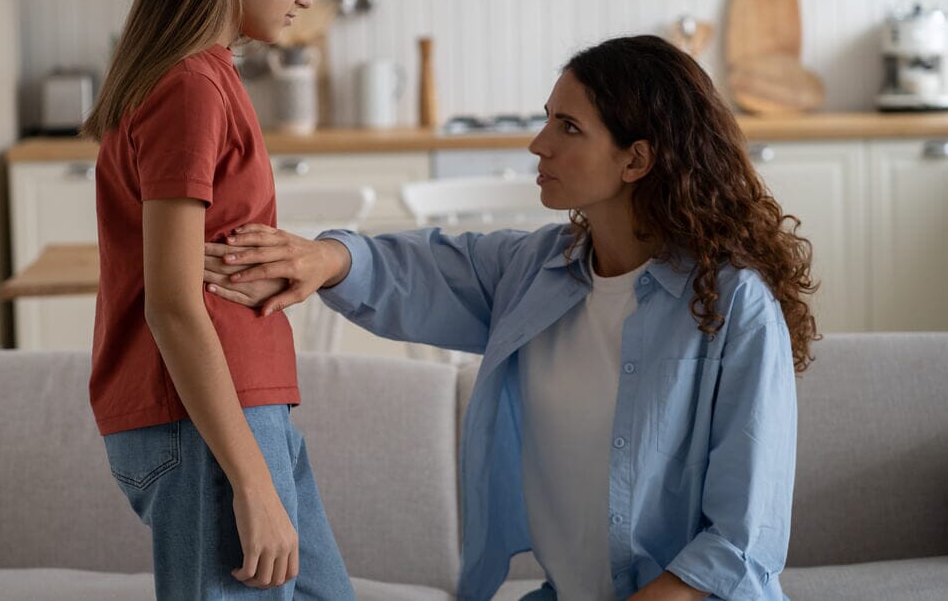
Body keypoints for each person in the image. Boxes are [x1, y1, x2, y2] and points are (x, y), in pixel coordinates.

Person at [204, 35, 817, 601]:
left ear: (636, 161)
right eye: (548, 118)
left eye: (568, 126)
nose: (538, 143)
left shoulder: (735, 305)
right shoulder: (536, 271)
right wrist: (323, 257)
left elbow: (742, 537)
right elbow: (424, 266)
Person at [80, 0, 354, 600]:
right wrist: (250, 482)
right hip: (208, 422)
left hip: (241, 407)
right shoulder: (190, 87)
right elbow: (170, 300)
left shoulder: (205, 78)